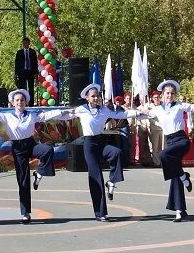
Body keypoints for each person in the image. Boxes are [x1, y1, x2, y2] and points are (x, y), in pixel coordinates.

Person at [41, 84, 146, 221]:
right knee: (96, 176)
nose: (96, 98)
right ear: (87, 97)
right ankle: (100, 212)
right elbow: (65, 115)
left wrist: (138, 113)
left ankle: (112, 181)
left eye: (97, 95)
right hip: (89, 145)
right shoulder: (81, 110)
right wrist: (49, 114)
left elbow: (121, 114)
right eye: (93, 96)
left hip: (100, 141)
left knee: (116, 152)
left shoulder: (104, 110)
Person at [0, 88, 58, 224]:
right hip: (18, 148)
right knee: (23, 181)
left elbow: (47, 115)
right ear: (13, 103)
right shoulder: (7, 116)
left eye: (22, 100)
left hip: (31, 144)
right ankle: (25, 212)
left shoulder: (31, 115)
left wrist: (67, 112)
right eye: (17, 100)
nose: (20, 102)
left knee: (47, 151)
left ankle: (39, 174)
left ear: (26, 102)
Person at [139, 80, 194, 222]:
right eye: (167, 93)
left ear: (175, 95)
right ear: (162, 95)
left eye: (172, 93)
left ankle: (184, 177)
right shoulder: (158, 109)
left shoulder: (179, 106)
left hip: (181, 140)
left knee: (163, 155)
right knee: (174, 176)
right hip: (170, 141)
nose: (169, 96)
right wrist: (134, 112)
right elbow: (145, 113)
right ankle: (180, 210)